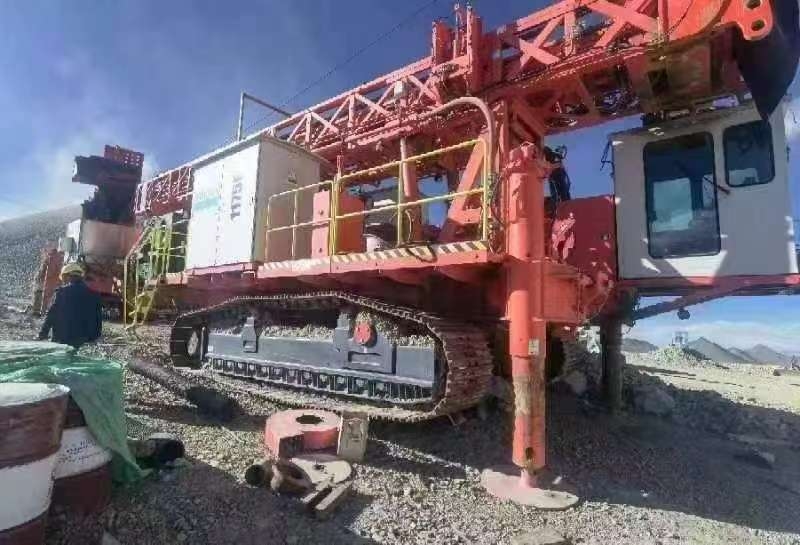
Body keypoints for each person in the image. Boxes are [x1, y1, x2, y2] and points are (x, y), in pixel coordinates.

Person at [38, 263, 103, 349]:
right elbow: (98, 317)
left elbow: (51, 315)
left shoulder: (62, 292)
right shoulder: (95, 294)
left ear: (68, 276)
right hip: (85, 340)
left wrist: (43, 334)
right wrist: (95, 337)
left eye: (63, 278)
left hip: (63, 339)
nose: (63, 281)